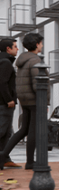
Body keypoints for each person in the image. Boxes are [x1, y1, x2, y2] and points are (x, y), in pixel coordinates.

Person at [0, 33, 45, 171]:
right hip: (34, 100)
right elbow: (38, 84)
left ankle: (3, 155)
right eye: (41, 43)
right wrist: (43, 101)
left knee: (23, 130)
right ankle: (30, 162)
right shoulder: (35, 61)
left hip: (24, 100)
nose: (42, 45)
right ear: (36, 44)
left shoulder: (21, 61)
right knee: (32, 131)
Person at [0, 38, 18, 167]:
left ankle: (5, 159)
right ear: (8, 48)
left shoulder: (4, 61)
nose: (17, 49)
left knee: (6, 133)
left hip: (3, 103)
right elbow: (2, 82)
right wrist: (9, 99)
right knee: (2, 131)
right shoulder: (5, 63)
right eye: (15, 46)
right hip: (4, 104)